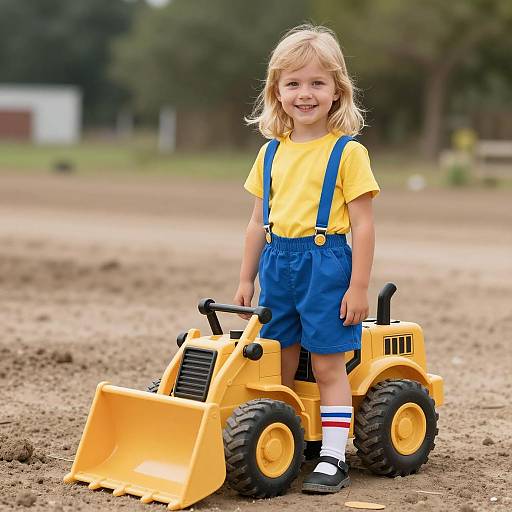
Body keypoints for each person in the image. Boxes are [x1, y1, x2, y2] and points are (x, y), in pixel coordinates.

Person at [234, 24, 380, 493]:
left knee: (327, 364)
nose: (305, 93)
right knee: (278, 360)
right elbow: (258, 222)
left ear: (337, 90)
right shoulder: (270, 153)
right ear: (276, 91)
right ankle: (289, 439)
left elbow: (364, 224)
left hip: (326, 264)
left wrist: (358, 286)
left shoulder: (347, 153)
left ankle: (333, 457)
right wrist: (245, 279)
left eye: (317, 83)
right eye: (293, 83)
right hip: (279, 263)